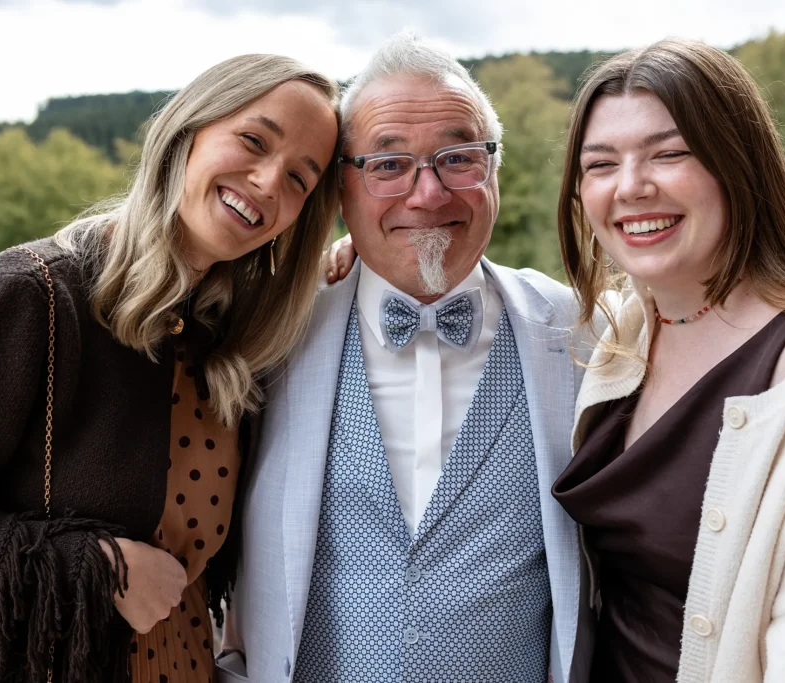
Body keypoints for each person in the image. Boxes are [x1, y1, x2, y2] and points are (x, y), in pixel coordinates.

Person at [0, 53, 340, 683]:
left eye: (300, 179)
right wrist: (102, 568)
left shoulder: (229, 341)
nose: (270, 182)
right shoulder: (33, 295)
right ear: (187, 131)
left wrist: (361, 262)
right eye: (252, 140)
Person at [217, 33, 598, 683]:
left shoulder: (579, 332)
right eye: (389, 165)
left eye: (458, 158)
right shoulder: (269, 334)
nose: (428, 194)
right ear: (342, 191)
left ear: (494, 171)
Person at [550, 40, 785, 682]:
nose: (631, 187)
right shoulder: (619, 332)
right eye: (601, 164)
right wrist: (355, 265)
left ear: (740, 166)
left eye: (671, 153)